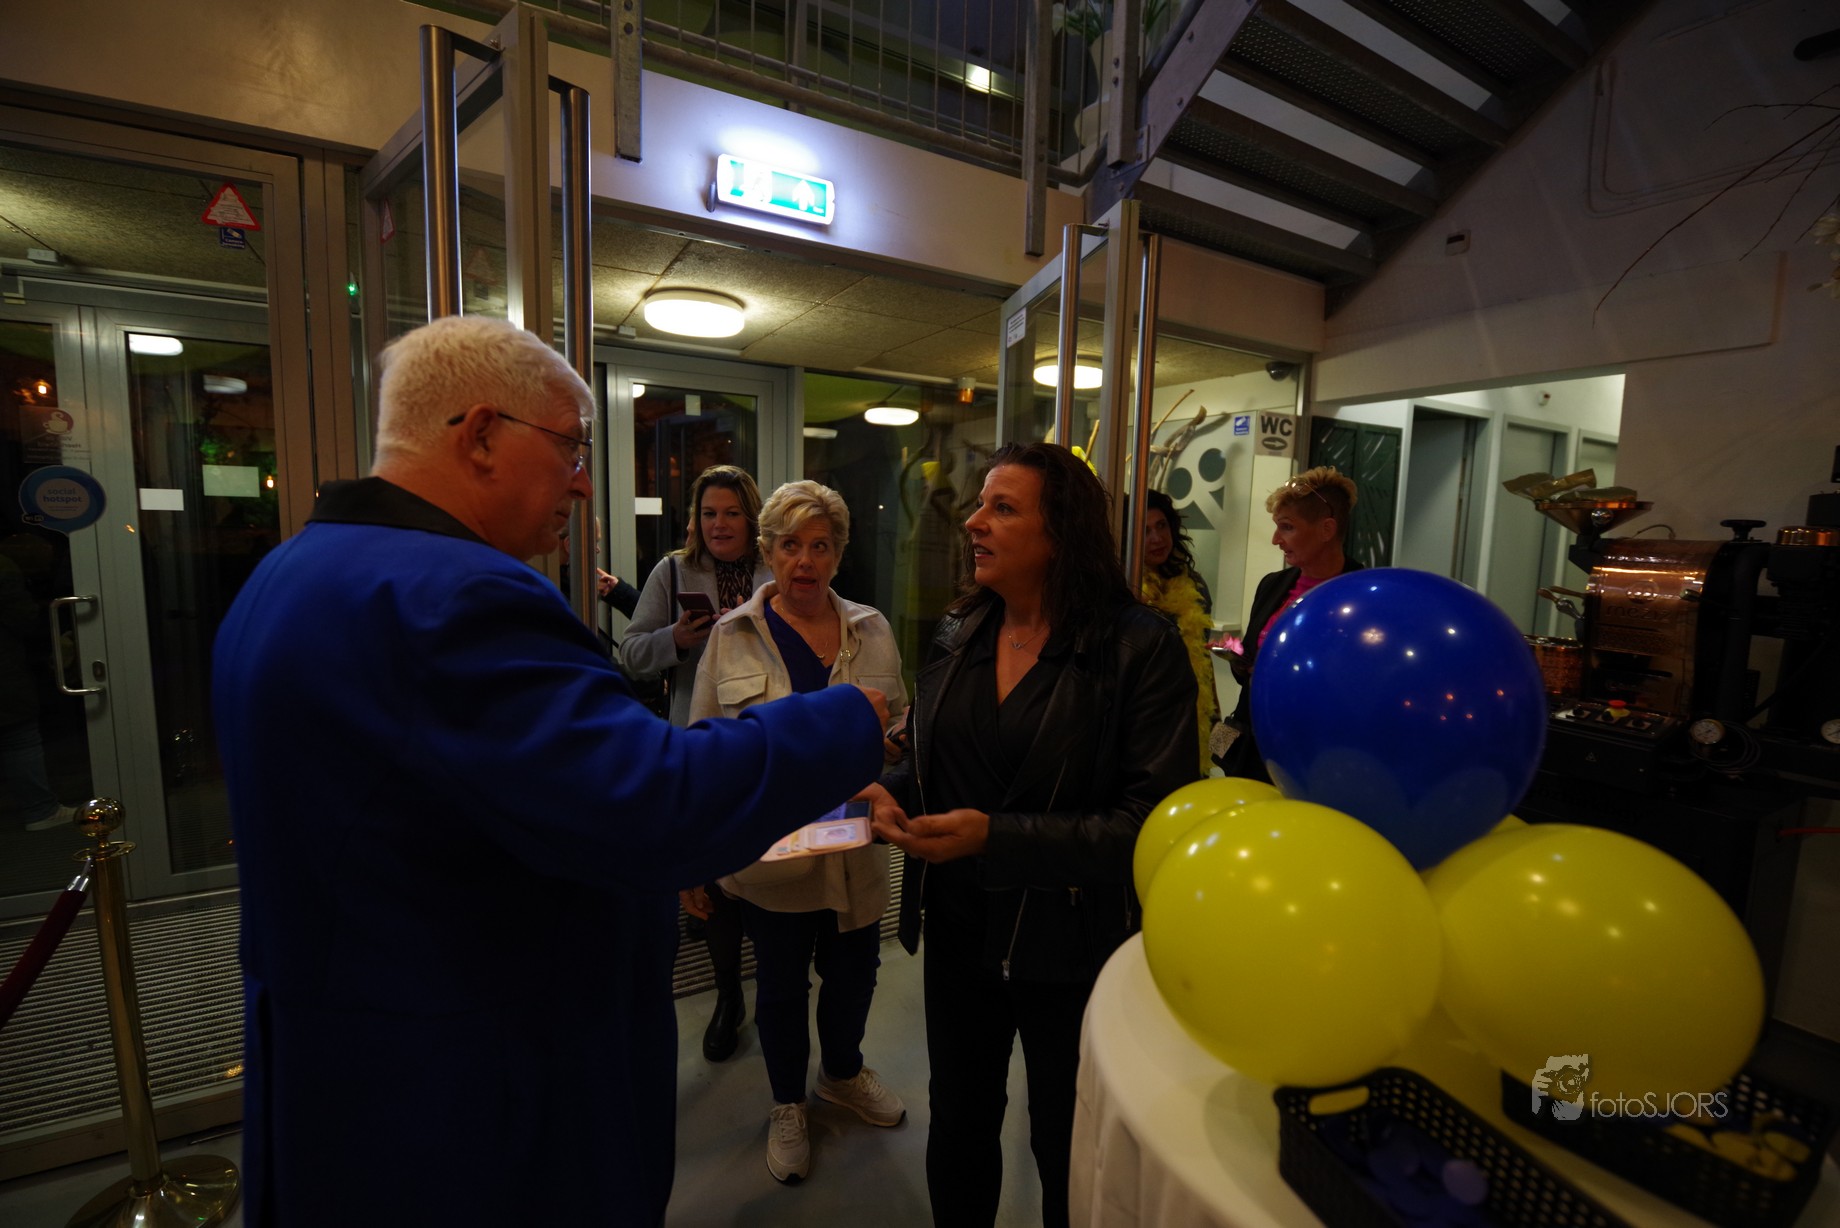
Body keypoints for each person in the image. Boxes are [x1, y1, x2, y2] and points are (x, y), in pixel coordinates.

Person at [211, 316, 889, 1227]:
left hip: (347, 1076)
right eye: (570, 447)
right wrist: (848, 719)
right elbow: (654, 801)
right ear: (480, 434)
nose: (582, 480)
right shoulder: (455, 597)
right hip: (472, 1104)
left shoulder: (290, 572)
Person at [866, 443, 1197, 1228]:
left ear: (1061, 534)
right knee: (959, 1121)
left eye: (1002, 508)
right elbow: (939, 762)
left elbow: (1150, 825)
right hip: (959, 927)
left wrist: (998, 838)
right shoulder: (961, 628)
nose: (973, 522)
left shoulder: (1138, 646)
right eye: (980, 504)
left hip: (1071, 941)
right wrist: (895, 793)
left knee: (1064, 1139)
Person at [688, 479, 910, 1184]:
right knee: (781, 988)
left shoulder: (872, 629)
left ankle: (841, 1074)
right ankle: (788, 1102)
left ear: (838, 554)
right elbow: (703, 756)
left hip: (856, 855)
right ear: (768, 552)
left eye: (820, 546)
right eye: (790, 545)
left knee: (855, 976)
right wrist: (697, 861)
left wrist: (893, 754)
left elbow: (900, 728)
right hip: (774, 861)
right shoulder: (731, 636)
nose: (805, 561)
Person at [624, 464, 771, 1061]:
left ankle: (778, 986)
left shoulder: (777, 568)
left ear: (752, 518)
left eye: (732, 513)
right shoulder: (673, 571)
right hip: (703, 743)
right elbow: (633, 653)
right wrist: (676, 641)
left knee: (766, 869)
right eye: (709, 513)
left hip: (765, 740)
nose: (719, 524)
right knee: (713, 879)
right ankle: (728, 995)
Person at [1218, 465, 1363, 782]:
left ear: (1326, 529)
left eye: (1286, 527)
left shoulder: (1363, 596)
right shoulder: (1272, 585)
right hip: (1256, 745)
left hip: (1319, 753)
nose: (1275, 540)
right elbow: (1251, 668)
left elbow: (1360, 687)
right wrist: (1237, 656)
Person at [1140, 488, 1220, 776]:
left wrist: (1215, 726)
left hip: (1190, 711)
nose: (1157, 538)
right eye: (1145, 531)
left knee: (1197, 777)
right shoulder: (1122, 586)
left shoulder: (1194, 583)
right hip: (1145, 719)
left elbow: (1201, 657)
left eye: (1161, 526)